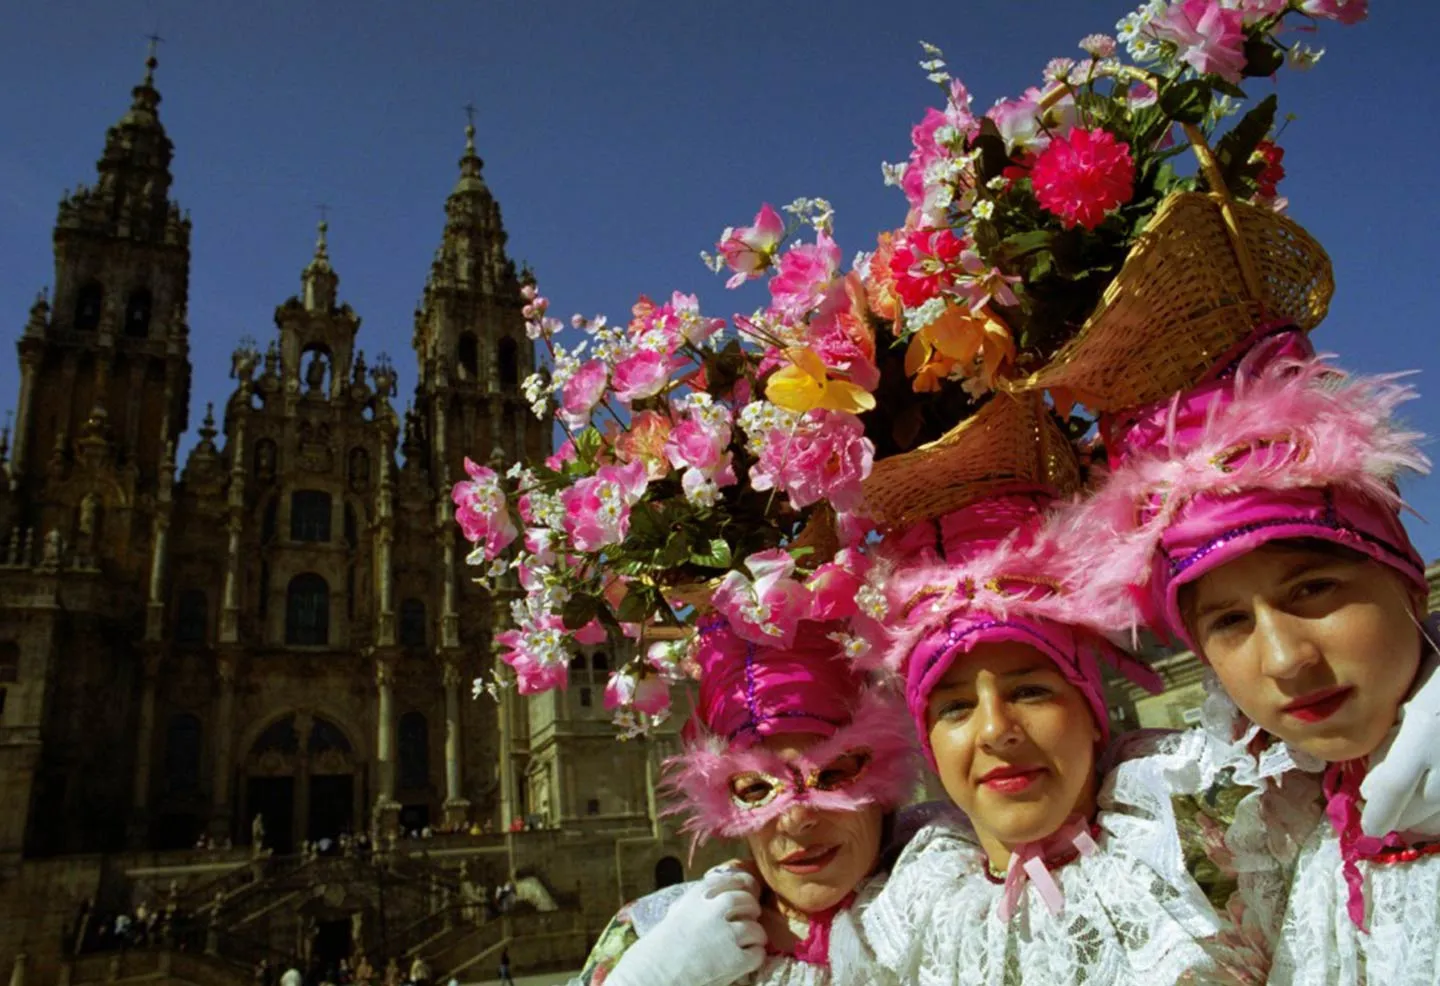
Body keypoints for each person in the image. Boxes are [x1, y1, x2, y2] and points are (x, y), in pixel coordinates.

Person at [1077, 330, 1440, 982]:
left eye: (1313, 589)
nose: (1284, 659)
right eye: (1230, 622)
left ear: (1407, 579)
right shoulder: (1285, 837)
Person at [854, 471, 1247, 986]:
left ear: (1091, 712)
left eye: (1029, 692)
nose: (996, 730)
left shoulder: (1219, 836)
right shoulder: (908, 917)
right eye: (956, 707)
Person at [569, 615, 919, 986]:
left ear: (885, 777)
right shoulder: (650, 929)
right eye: (757, 790)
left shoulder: (945, 905)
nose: (795, 819)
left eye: (831, 776)